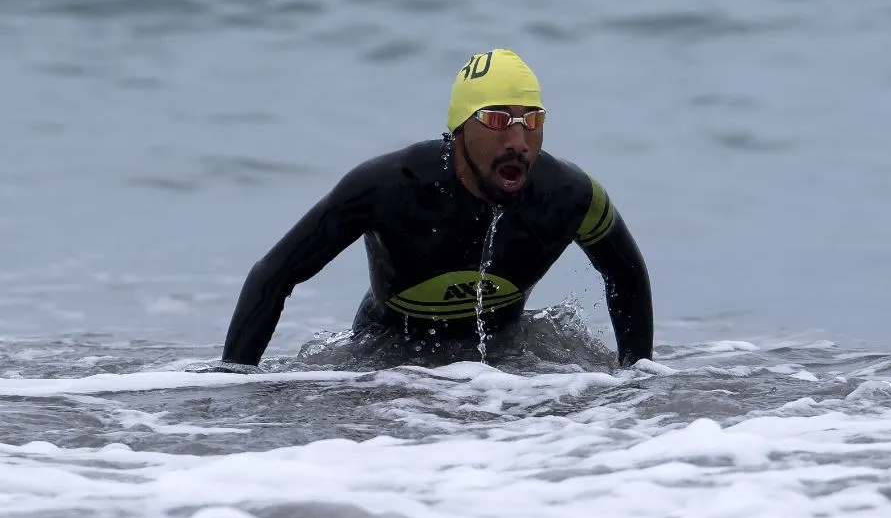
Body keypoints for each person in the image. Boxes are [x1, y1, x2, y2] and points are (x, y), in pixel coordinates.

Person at [218, 48, 653, 369]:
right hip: (388, 354)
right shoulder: (389, 187)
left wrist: (638, 384)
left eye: (532, 121)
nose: (518, 142)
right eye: (499, 120)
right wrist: (233, 386)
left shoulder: (569, 195)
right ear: (461, 127)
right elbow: (273, 275)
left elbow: (627, 276)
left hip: (505, 351)